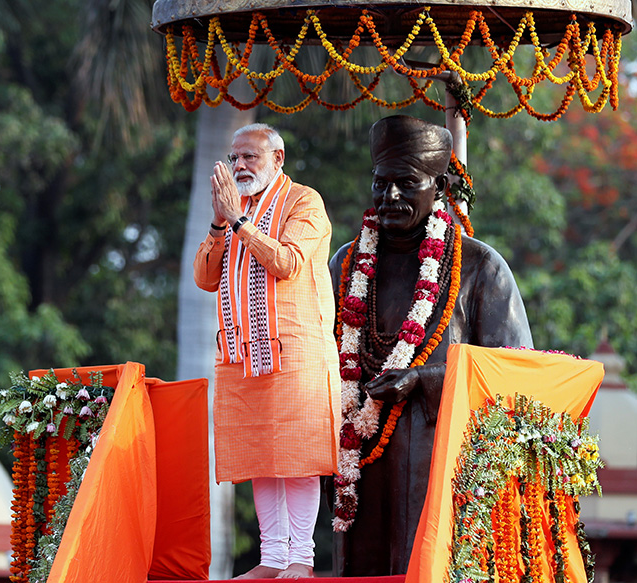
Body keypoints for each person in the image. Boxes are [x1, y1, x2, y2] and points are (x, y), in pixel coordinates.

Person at [328, 115, 533, 576]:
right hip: (357, 452)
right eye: (382, 184)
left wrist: (423, 380)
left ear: (438, 185)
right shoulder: (346, 263)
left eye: (406, 183)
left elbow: (514, 370)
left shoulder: (480, 265)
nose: (391, 197)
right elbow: (321, 354)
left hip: (440, 449)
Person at [193, 123, 340, 579]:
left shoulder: (304, 202)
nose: (239, 166)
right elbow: (205, 277)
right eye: (234, 158)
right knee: (262, 457)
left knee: (297, 456)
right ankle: (272, 558)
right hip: (242, 356)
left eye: (250, 157)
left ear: (277, 159)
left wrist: (238, 222)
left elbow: (288, 262)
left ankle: (301, 559)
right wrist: (221, 222)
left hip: (296, 354)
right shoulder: (235, 210)